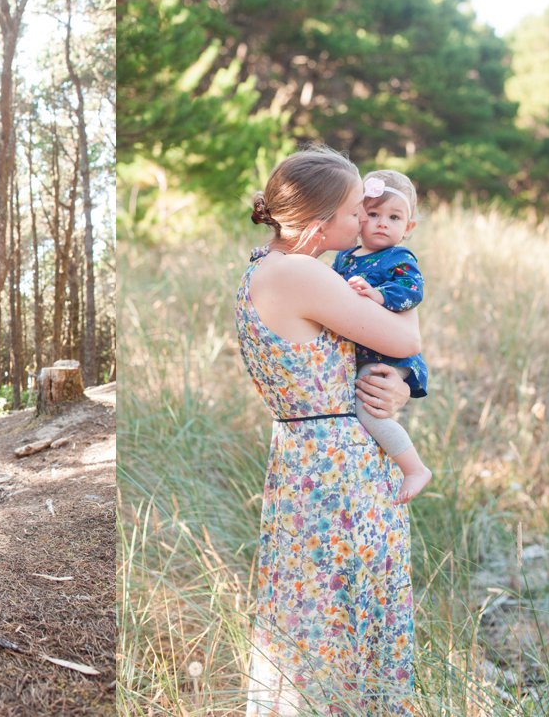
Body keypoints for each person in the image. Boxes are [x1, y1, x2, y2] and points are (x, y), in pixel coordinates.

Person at [236, 146, 420, 714]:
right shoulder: (299, 274)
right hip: (335, 470)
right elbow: (404, 339)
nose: (363, 223)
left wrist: (398, 388)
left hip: (311, 457)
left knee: (314, 604)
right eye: (352, 213)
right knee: (340, 607)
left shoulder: (270, 267)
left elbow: (346, 364)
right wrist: (409, 271)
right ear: (319, 225)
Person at [333, 169, 432, 505]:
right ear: (359, 215)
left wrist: (379, 295)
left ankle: (414, 467)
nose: (381, 223)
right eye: (373, 214)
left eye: (393, 217)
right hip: (364, 350)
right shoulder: (344, 258)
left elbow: (412, 291)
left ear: (408, 228)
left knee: (367, 407)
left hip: (390, 357)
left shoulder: (399, 259)